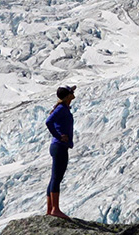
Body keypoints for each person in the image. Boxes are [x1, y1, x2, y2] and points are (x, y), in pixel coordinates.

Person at [45, 85, 76, 218]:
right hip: (59, 146)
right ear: (68, 95)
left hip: (59, 146)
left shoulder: (63, 107)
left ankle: (50, 209)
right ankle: (55, 209)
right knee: (57, 178)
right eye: (72, 92)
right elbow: (48, 122)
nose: (74, 93)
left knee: (54, 177)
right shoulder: (61, 108)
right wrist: (59, 136)